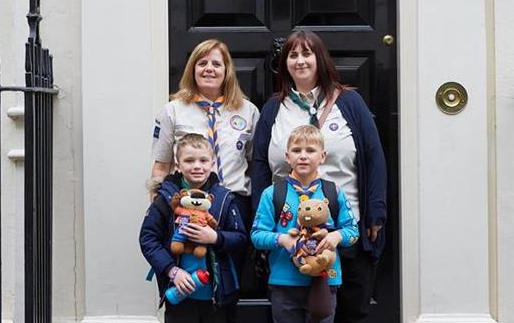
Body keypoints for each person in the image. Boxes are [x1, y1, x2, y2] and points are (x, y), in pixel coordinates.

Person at [251, 30, 387, 323]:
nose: (300, 61)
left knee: (351, 311)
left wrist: (376, 213)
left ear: (319, 58)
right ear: (285, 62)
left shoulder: (350, 103)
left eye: (307, 54)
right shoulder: (275, 108)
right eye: (293, 55)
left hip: (345, 229)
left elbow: (374, 157)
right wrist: (260, 221)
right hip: (289, 234)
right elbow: (260, 164)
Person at [251, 125, 359, 323]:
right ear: (287, 155)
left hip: (324, 281)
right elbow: (257, 235)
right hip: (285, 284)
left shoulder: (333, 192)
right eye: (296, 150)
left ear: (323, 156)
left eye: (310, 150)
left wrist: (336, 236)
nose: (303, 156)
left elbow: (353, 232)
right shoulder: (273, 193)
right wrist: (282, 239)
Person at [151, 39, 259, 231]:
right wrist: (156, 212)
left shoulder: (247, 111)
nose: (209, 69)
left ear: (227, 71)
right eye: (202, 63)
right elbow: (161, 166)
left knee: (233, 259)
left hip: (235, 201)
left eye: (216, 64)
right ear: (193, 70)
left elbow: (254, 163)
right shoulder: (172, 111)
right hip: (188, 202)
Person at [140, 133, 247, 323]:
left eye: (203, 160)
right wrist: (172, 271)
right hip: (178, 292)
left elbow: (240, 238)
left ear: (212, 162)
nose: (197, 166)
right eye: (189, 161)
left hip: (217, 297)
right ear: (178, 165)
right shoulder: (165, 199)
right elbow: (148, 239)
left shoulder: (223, 198)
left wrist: (215, 237)